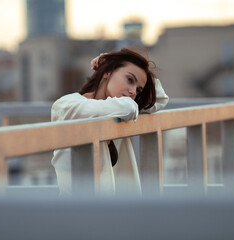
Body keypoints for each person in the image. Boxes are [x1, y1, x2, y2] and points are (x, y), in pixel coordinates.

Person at [51, 48, 169, 197]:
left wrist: (113, 63)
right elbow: (128, 107)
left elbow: (160, 98)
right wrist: (109, 63)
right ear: (108, 72)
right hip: (77, 212)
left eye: (138, 90)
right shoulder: (66, 104)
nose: (133, 92)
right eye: (130, 79)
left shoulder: (115, 111)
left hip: (109, 210)